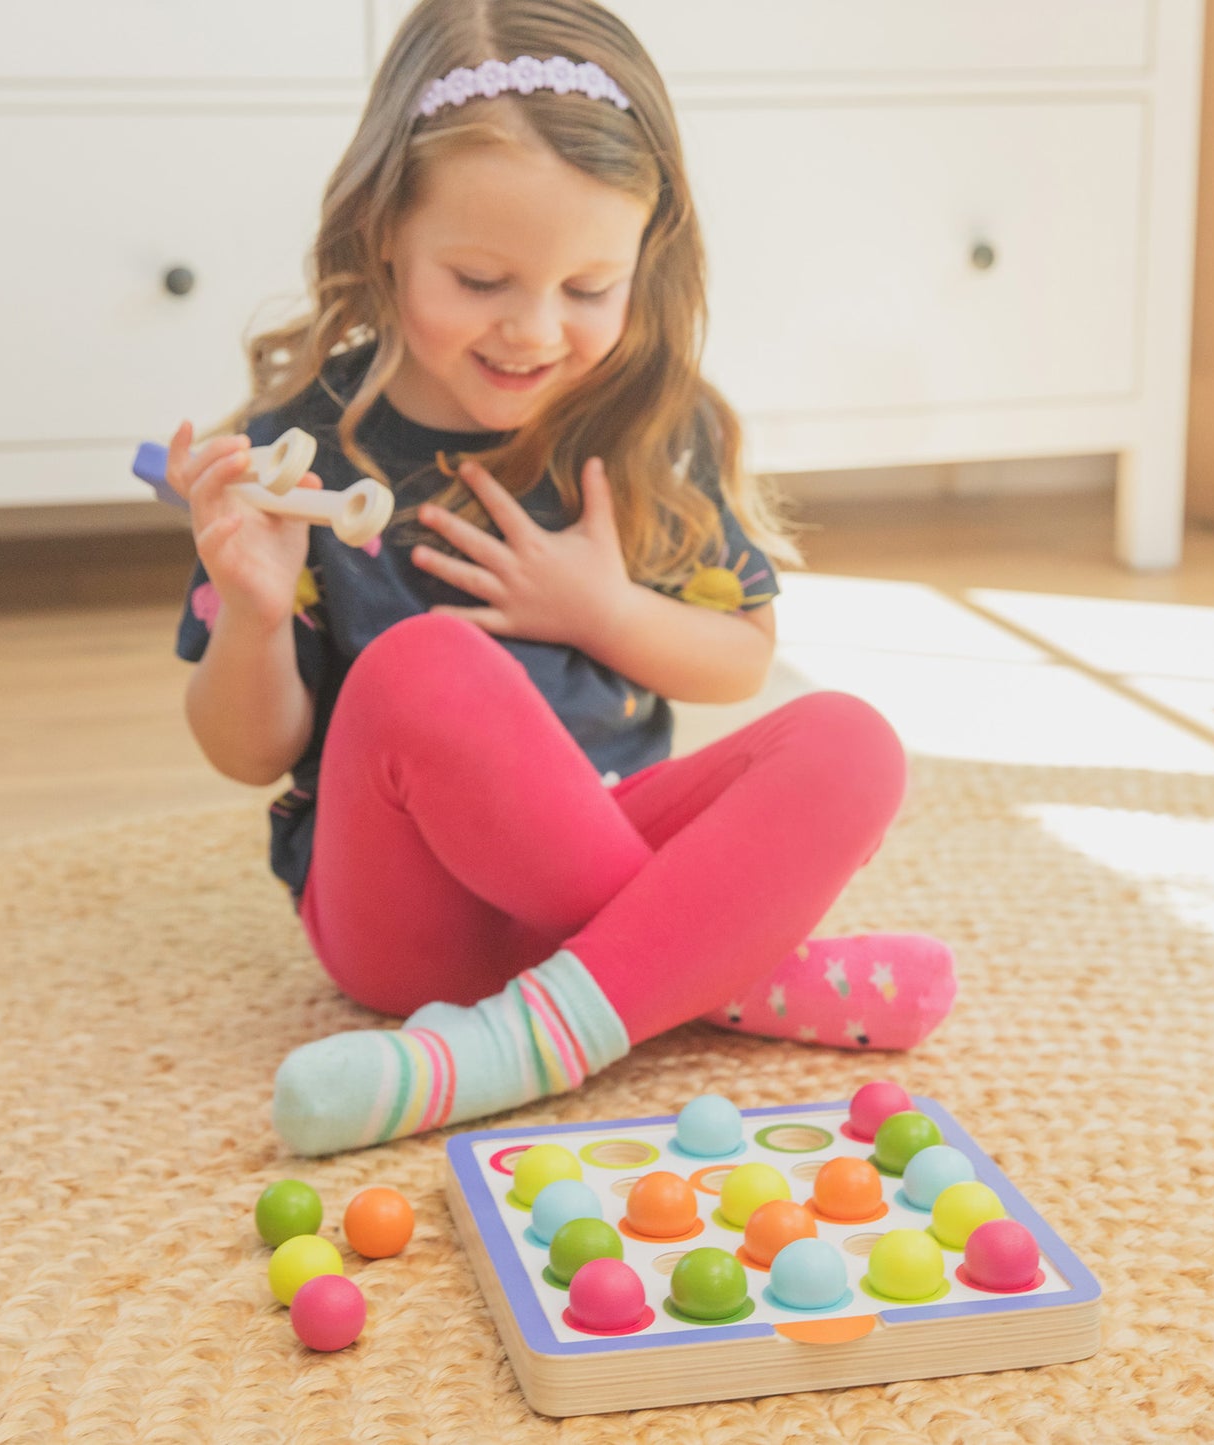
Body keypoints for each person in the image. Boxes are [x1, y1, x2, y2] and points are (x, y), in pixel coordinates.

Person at [166, 0, 956, 1157]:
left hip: (605, 836)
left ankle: (518, 1040)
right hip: (407, 920)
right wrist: (250, 612)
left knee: (851, 742)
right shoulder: (304, 455)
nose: (534, 329)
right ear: (385, 229)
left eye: (588, 288)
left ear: (645, 256)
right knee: (427, 663)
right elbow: (246, 749)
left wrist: (601, 610)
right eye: (481, 277)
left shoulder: (644, 420)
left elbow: (738, 654)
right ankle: (726, 970)